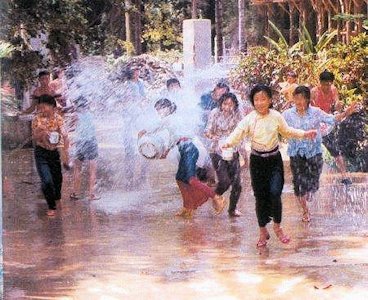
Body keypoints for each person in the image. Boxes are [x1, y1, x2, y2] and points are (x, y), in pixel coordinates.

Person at [221, 84, 317, 247]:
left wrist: (304, 134)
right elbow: (239, 131)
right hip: (257, 161)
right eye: (256, 99)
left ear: (270, 100)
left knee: (274, 193)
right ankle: (262, 231)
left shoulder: (276, 116)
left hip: (274, 161)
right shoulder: (250, 118)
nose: (259, 102)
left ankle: (278, 227)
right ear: (253, 101)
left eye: (263, 99)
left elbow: (287, 131)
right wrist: (228, 142)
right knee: (260, 197)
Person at [138, 98, 226, 218]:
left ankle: (216, 197)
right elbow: (175, 140)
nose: (159, 112)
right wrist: (165, 151)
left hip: (188, 148)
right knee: (180, 178)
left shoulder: (170, 118)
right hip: (185, 148)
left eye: (160, 109)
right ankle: (187, 208)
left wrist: (142, 132)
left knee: (190, 179)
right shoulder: (174, 120)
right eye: (157, 110)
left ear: (168, 108)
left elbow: (155, 127)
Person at [283, 86, 358, 222]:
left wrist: (346, 113)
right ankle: (305, 211)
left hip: (314, 153)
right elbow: (278, 126)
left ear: (307, 100)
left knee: (313, 185)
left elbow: (332, 119)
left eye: (302, 99)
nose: (299, 102)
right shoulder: (287, 114)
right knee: (299, 184)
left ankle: (310, 191)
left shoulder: (316, 112)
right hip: (296, 153)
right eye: (296, 99)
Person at [205, 93, 246, 217]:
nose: (227, 107)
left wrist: (242, 151)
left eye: (230, 104)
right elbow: (207, 131)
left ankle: (232, 210)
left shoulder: (238, 114)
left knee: (237, 184)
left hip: (233, 150)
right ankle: (215, 196)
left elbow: (243, 130)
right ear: (221, 103)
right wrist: (216, 138)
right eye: (225, 104)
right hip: (217, 150)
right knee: (224, 181)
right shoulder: (215, 113)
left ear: (235, 105)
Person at [31, 95, 69, 217]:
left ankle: (57, 197)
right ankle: (51, 206)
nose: (42, 110)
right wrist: (41, 131)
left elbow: (64, 133)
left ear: (52, 107)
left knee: (57, 179)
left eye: (44, 107)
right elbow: (35, 137)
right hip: (41, 153)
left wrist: (62, 134)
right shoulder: (37, 119)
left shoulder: (58, 118)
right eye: (40, 107)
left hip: (54, 153)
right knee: (46, 180)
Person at [311, 70, 351, 184]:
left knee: (335, 151)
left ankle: (344, 176)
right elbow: (307, 108)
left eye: (329, 84)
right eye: (324, 84)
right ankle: (312, 178)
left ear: (331, 83)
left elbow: (337, 105)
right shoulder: (314, 91)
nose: (326, 87)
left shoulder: (333, 90)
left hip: (327, 124)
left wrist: (339, 106)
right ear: (320, 83)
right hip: (315, 124)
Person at [70, 96, 100, 201]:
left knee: (77, 169)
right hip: (91, 142)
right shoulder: (91, 115)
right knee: (92, 170)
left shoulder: (75, 116)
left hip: (80, 143)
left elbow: (70, 128)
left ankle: (75, 192)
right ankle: (91, 194)